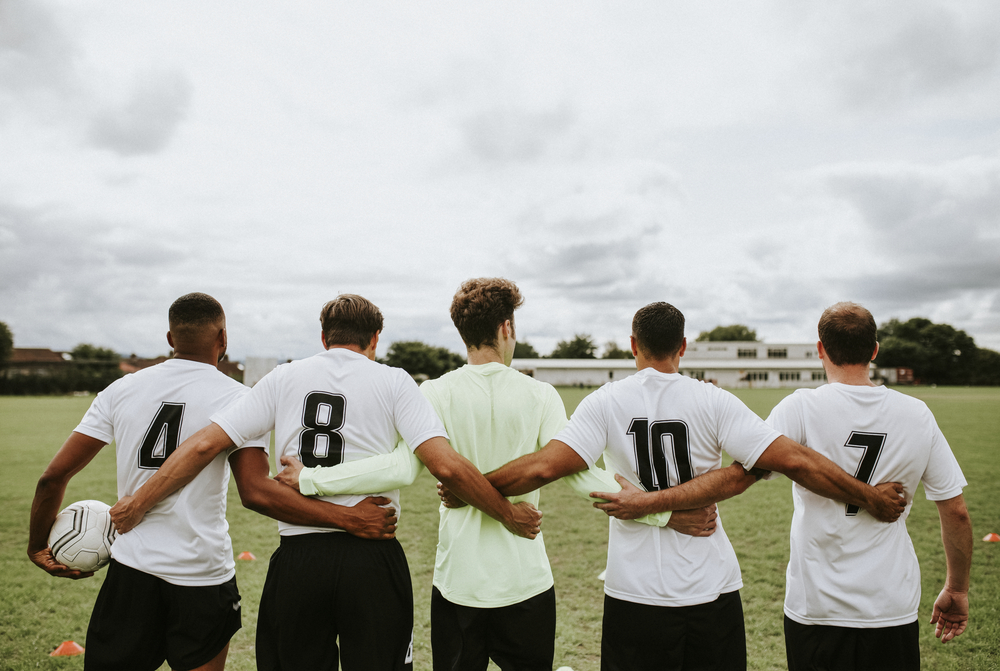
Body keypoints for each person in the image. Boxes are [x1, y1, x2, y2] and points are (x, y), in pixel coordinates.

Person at [273, 279, 704, 671]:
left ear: (463, 333)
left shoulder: (434, 392)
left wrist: (311, 478)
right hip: (527, 580)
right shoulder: (541, 394)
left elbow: (402, 467)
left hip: (458, 582)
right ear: (506, 328)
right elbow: (578, 475)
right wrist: (662, 512)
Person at [109, 293, 542, 671]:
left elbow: (205, 446)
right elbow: (446, 467)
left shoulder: (282, 378)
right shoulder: (394, 380)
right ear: (375, 339)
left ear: (324, 337)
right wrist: (508, 513)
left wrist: (139, 501)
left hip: (299, 559)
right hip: (373, 556)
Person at [480, 301, 907, 671]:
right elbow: (792, 459)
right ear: (682, 347)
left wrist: (473, 487)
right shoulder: (712, 399)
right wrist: (870, 495)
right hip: (710, 589)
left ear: (634, 345)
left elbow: (542, 469)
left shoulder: (606, 400)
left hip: (635, 591)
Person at [28, 293, 394, 671]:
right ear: (223, 339)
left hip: (132, 568)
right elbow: (254, 491)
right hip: (201, 573)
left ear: (170, 338)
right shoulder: (237, 397)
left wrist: (38, 545)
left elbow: (52, 477)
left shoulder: (122, 389)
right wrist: (348, 518)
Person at [764, 302, 972, 670]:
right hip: (889, 605)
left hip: (816, 606)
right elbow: (955, 511)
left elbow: (749, 469)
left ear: (820, 349)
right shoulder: (917, 414)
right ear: (874, 350)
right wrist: (956, 589)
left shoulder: (798, 407)